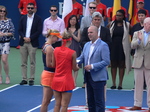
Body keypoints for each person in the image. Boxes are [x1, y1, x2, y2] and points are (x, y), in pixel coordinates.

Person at [77, 25, 110, 112]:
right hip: (88, 76)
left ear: (96, 33)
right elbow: (82, 57)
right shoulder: (87, 45)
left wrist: (92, 66)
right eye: (88, 32)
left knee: (99, 102)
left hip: (98, 77)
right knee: (90, 101)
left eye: (91, 32)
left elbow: (106, 61)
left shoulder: (103, 45)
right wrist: (74, 61)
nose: (89, 34)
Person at [51, 31, 79, 112]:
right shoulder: (72, 53)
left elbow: (53, 64)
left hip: (56, 80)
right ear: (70, 41)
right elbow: (74, 68)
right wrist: (77, 67)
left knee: (57, 104)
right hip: (67, 81)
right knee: (64, 105)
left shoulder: (55, 50)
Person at [18, 3, 42, 86]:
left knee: (32, 62)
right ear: (26, 9)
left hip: (32, 43)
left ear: (34, 9)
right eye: (28, 8)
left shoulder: (38, 19)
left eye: (32, 8)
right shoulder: (22, 18)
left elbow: (39, 31)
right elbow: (19, 30)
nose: (30, 9)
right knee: (23, 62)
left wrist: (30, 38)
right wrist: (24, 37)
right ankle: (24, 79)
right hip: (23, 42)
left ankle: (31, 78)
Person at [129, 17, 150, 111]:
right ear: (145, 24)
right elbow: (132, 45)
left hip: (149, 62)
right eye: (149, 24)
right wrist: (139, 40)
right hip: (138, 62)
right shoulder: (137, 33)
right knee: (138, 84)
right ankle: (137, 104)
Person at [40, 29, 62, 112]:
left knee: (46, 101)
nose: (57, 40)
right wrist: (60, 65)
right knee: (46, 101)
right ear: (52, 36)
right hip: (49, 75)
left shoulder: (48, 46)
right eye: (56, 38)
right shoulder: (49, 48)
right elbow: (49, 64)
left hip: (49, 74)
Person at [109, 9, 131, 90]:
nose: (118, 17)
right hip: (113, 47)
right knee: (113, 65)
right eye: (117, 15)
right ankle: (113, 83)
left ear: (123, 16)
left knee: (122, 65)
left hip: (123, 47)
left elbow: (132, 34)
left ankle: (120, 84)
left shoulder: (127, 25)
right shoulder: (111, 24)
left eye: (120, 15)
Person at [130, 9, 147, 90]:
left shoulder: (148, 27)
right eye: (139, 16)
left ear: (145, 16)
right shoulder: (135, 27)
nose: (140, 17)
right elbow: (132, 42)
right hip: (137, 52)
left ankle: (145, 85)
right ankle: (136, 85)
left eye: (142, 16)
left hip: (147, 54)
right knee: (138, 69)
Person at [0, 5, 15, 84]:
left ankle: (7, 76)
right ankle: (0, 77)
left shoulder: (9, 21)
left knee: (4, 60)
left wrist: (4, 34)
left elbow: (12, 32)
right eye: (1, 11)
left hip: (5, 42)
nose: (2, 13)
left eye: (4, 11)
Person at [66, 15, 81, 86]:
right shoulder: (66, 29)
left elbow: (78, 39)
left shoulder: (78, 30)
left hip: (76, 48)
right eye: (71, 19)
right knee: (68, 65)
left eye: (74, 19)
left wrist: (72, 34)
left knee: (76, 65)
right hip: (68, 48)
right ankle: (69, 80)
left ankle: (74, 81)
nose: (72, 21)